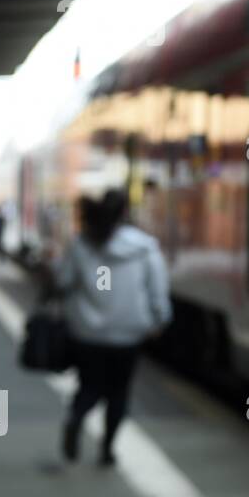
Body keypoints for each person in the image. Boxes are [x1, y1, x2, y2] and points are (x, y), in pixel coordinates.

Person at [49, 188, 171, 467]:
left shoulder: (81, 244)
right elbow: (157, 288)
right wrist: (160, 319)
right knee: (119, 392)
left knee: (89, 386)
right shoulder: (144, 247)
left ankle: (76, 418)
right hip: (128, 334)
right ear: (125, 213)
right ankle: (107, 449)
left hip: (86, 333)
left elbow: (63, 281)